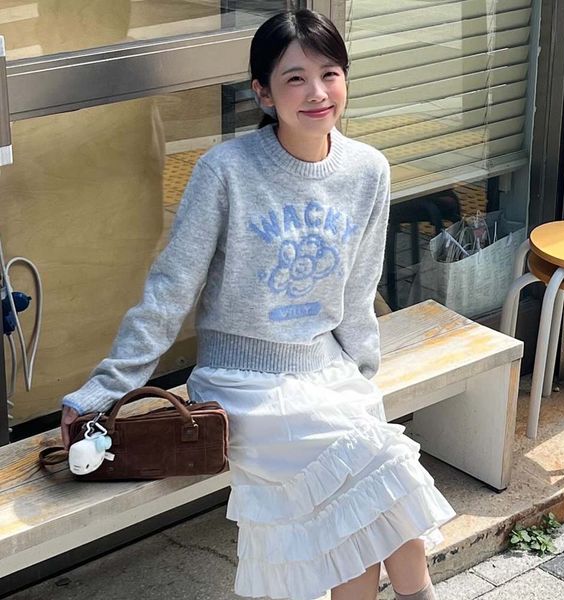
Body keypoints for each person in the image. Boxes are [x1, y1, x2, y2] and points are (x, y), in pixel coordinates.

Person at [60, 9, 455, 600]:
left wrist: (359, 377)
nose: (317, 92)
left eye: (329, 73)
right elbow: (172, 286)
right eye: (295, 78)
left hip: (324, 374)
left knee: (364, 495)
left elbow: (357, 288)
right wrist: (107, 387)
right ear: (263, 93)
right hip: (242, 382)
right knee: (375, 475)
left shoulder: (367, 170)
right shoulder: (226, 171)